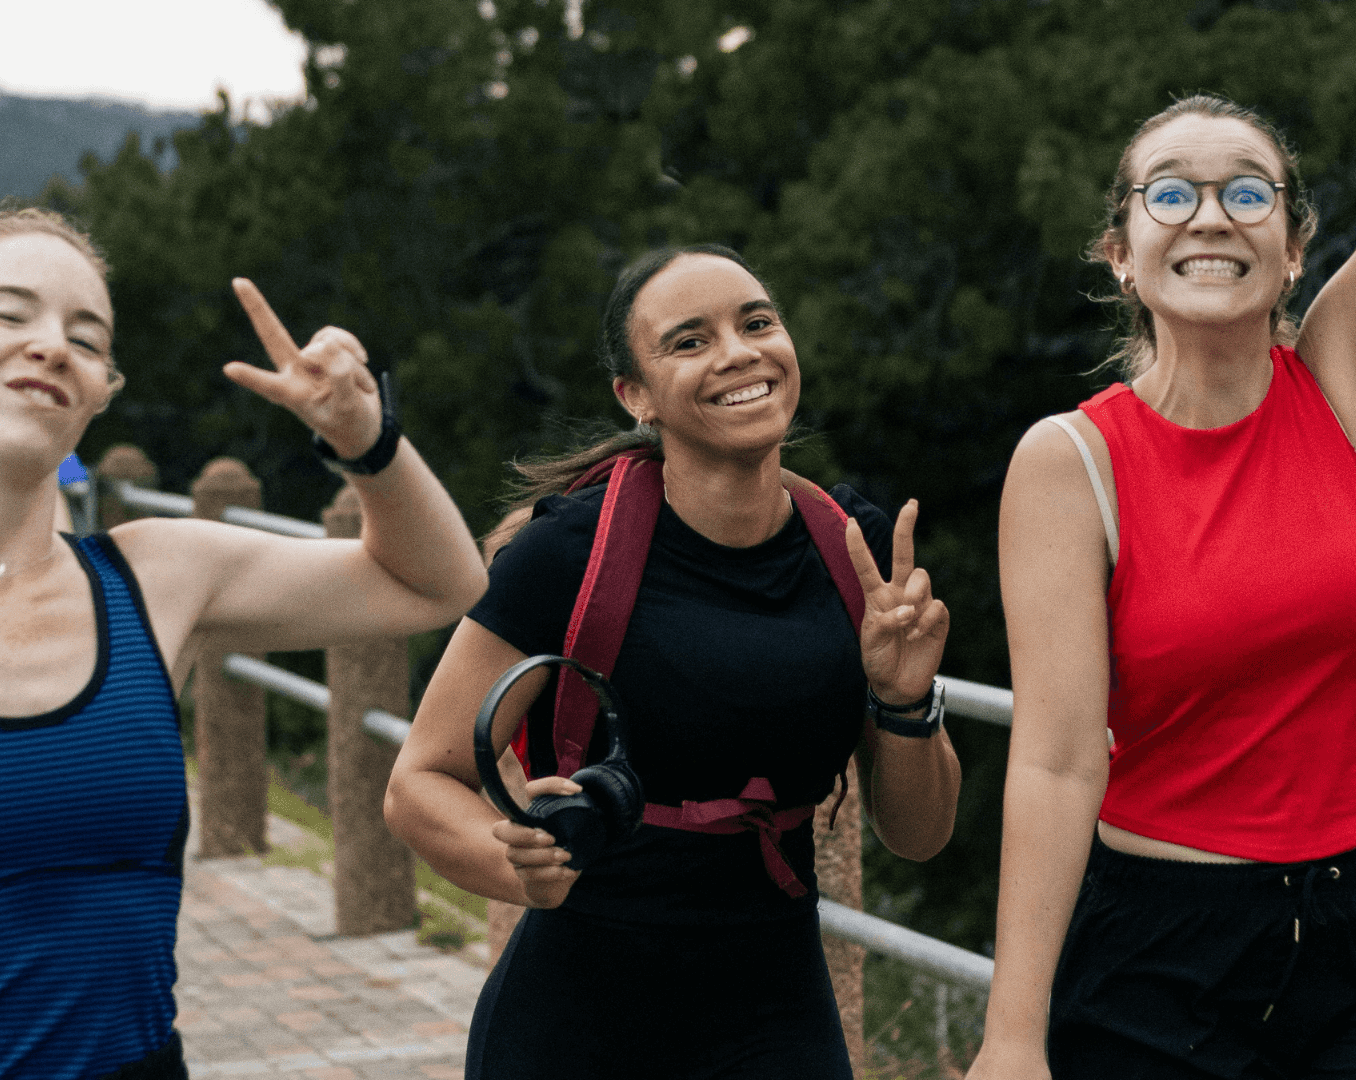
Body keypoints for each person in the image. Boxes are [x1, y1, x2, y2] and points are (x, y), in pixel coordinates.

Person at [0, 172, 488, 1079]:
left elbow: (434, 584)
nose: (51, 345)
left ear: (96, 394)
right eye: (9, 314)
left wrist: (365, 438)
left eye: (86, 336)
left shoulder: (160, 577)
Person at [969, 3, 1356, 1078]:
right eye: (1170, 193)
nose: (1210, 217)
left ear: (1290, 249)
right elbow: (1054, 764)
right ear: (1121, 252)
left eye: (1247, 192)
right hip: (1164, 956)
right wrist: (1011, 1036)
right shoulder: (1068, 464)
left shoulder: (1345, 386)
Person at [383, 245, 962, 1079]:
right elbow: (419, 782)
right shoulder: (564, 557)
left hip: (777, 1014)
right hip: (575, 1025)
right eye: (689, 341)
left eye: (757, 322)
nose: (738, 352)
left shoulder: (856, 551)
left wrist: (904, 701)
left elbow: (918, 835)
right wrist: (513, 859)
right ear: (636, 395)